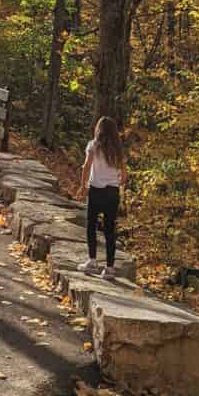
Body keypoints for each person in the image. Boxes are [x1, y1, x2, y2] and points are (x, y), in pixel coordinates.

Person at [77, 116, 127, 280]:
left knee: (91, 225)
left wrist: (83, 186)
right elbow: (124, 176)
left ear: (98, 129)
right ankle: (109, 268)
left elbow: (86, 166)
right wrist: (116, 182)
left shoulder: (93, 145)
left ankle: (92, 261)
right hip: (112, 193)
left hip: (96, 190)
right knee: (110, 230)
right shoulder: (118, 149)